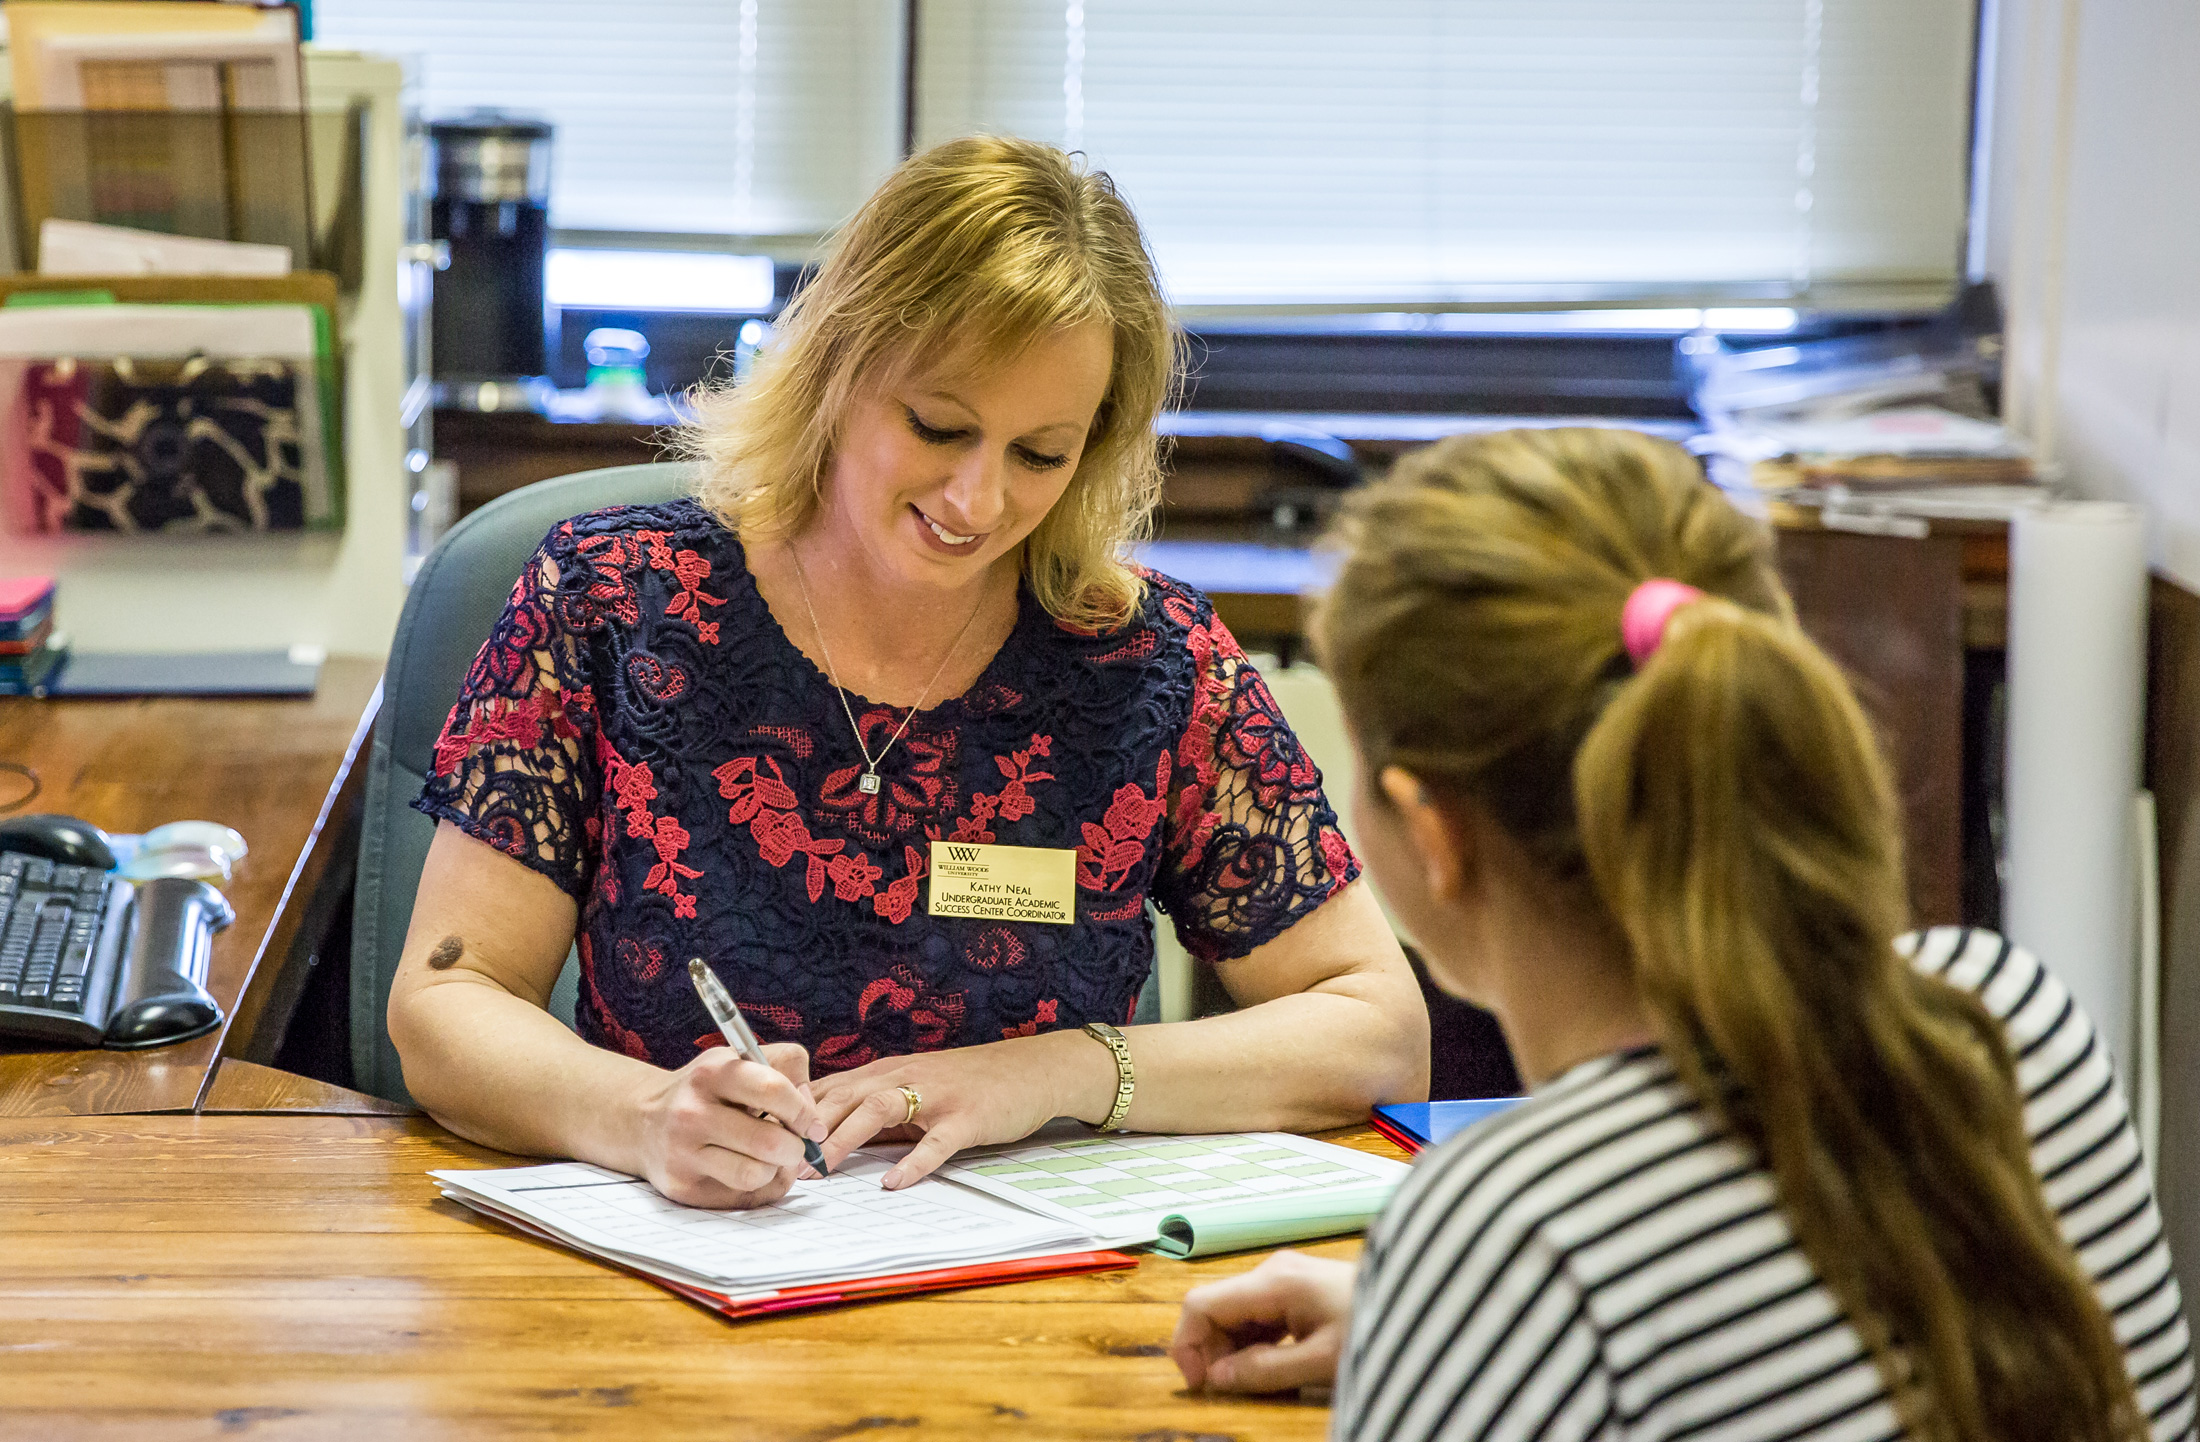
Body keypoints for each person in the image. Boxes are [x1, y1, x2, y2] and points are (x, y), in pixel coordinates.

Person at [386, 135, 1429, 1210]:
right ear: (839, 366)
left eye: (1040, 454)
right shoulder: (614, 603)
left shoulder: (1146, 662)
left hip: (1036, 1289)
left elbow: (1378, 1031)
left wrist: (1055, 1071)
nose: (977, 501)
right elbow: (447, 998)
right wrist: (643, 1116)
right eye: (939, 427)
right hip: (699, 1262)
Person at [1169, 427, 2196, 1442]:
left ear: (1431, 834)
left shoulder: (1516, 1235)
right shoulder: (2007, 1022)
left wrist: (1458, 1323)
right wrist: (1446, 1348)